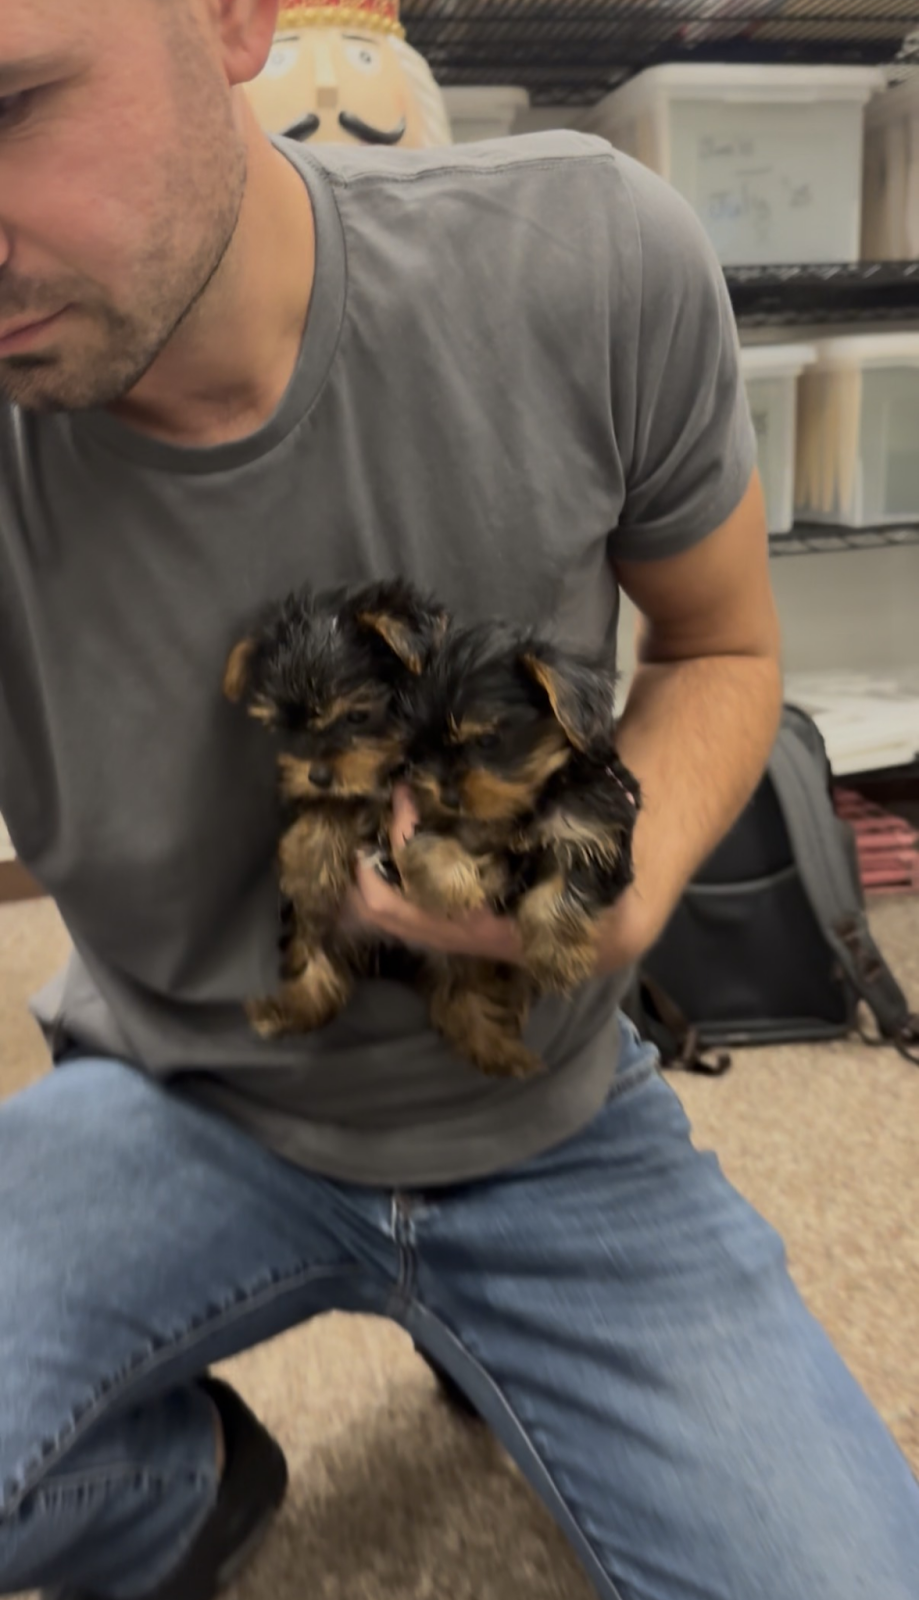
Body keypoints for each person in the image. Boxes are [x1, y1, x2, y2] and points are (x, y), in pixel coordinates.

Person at [0, 2, 916, 1597]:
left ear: (229, 16)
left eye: (12, 104)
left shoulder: (583, 258)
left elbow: (718, 647)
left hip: (553, 1116)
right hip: (172, 1086)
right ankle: (188, 1488)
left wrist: (622, 881)